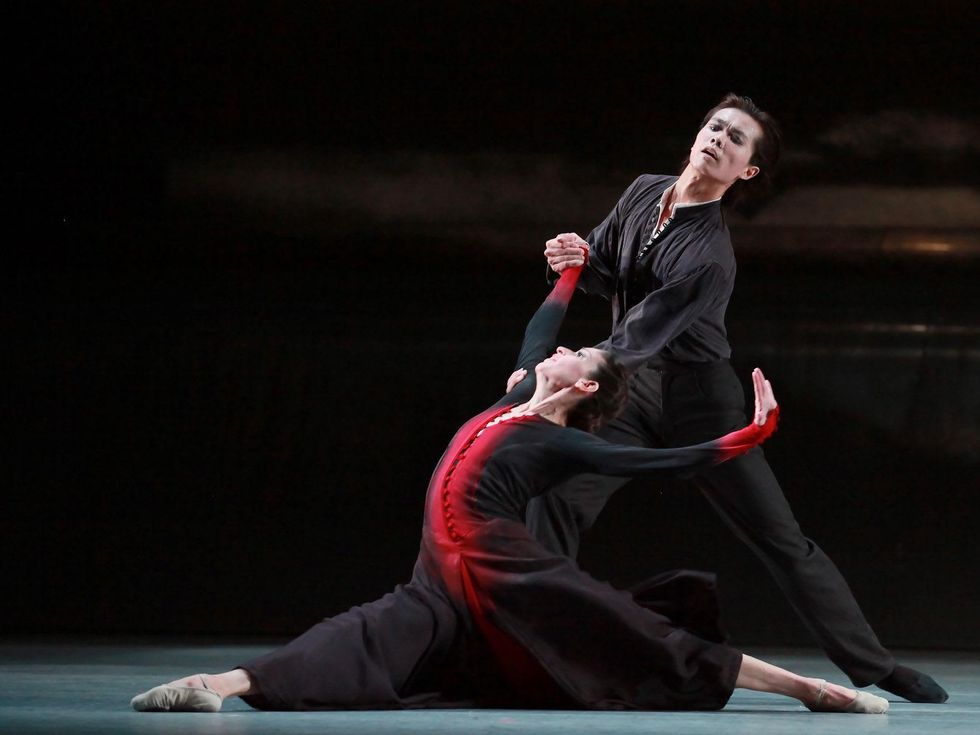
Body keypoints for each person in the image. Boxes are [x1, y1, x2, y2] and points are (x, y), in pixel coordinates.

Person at [132, 265, 887, 715]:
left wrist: (748, 434)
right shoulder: (522, 390)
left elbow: (662, 464)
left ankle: (810, 689)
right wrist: (571, 270)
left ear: (583, 385)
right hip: (439, 574)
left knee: (640, 634)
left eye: (577, 353)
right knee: (358, 635)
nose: (563, 348)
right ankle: (218, 686)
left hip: (510, 570)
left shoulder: (560, 439)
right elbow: (540, 326)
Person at [515, 93, 946, 704]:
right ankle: (537, 638)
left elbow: (639, 334)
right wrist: (574, 258)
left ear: (747, 170)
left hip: (700, 400)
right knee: (554, 495)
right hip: (635, 388)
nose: (719, 138)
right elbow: (608, 271)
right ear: (698, 134)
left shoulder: (709, 255)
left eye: (736, 139)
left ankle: (876, 666)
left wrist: (569, 371)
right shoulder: (644, 191)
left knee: (779, 536)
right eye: (715, 127)